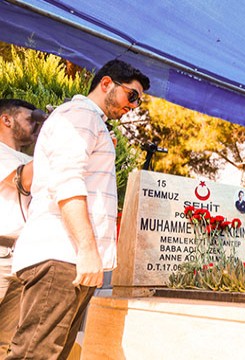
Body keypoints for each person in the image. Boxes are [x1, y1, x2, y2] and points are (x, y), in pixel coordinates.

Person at [8, 59, 150, 360]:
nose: (134, 106)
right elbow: (67, 180)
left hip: (70, 259)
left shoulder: (92, 122)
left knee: (51, 354)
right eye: (132, 95)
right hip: (62, 254)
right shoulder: (80, 115)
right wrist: (87, 249)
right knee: (35, 354)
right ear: (107, 84)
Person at [0, 99, 44, 358]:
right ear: (6, 120)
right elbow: (23, 181)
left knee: (7, 342)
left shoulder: (30, 159)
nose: (37, 127)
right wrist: (59, 135)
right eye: (32, 119)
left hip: (21, 260)